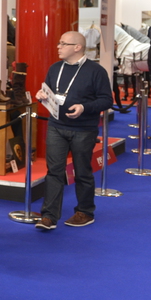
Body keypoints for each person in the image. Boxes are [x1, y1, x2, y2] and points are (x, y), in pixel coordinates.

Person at [33, 31, 112, 231]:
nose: (58, 47)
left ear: (77, 47)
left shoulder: (96, 71)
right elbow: (50, 92)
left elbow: (106, 100)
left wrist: (84, 107)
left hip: (84, 129)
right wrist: (42, 95)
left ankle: (85, 211)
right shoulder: (55, 68)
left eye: (63, 44)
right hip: (56, 127)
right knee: (54, 172)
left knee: (82, 171)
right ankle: (49, 216)